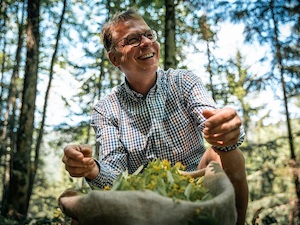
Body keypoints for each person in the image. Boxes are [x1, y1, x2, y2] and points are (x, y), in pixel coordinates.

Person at [62, 7, 248, 225]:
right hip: (139, 196)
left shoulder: (183, 82)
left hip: (195, 179)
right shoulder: (106, 109)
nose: (146, 42)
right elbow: (115, 175)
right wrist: (92, 169)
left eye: (149, 35)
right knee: (80, 218)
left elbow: (211, 119)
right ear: (114, 58)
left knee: (224, 153)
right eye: (132, 39)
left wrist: (225, 130)